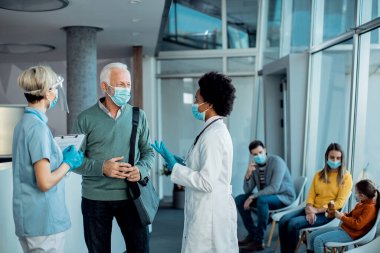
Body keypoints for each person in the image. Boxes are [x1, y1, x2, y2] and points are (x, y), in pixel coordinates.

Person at [152, 72, 238, 253]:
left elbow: (207, 182)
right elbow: (204, 167)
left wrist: (175, 167)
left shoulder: (213, 136)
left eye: (197, 98)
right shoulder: (211, 130)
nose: (194, 102)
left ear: (210, 103)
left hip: (210, 212)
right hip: (207, 208)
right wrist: (181, 162)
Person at [72, 62, 154, 253]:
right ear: (105, 87)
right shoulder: (84, 119)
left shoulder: (138, 115)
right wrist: (102, 167)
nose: (126, 89)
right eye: (120, 84)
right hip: (95, 199)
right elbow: (74, 162)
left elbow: (148, 152)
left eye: (128, 85)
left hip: (131, 196)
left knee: (141, 249)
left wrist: (140, 170)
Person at [12, 65, 83, 253]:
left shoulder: (24, 124)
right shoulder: (38, 128)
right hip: (44, 223)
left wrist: (60, 159)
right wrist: (68, 163)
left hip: (30, 219)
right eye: (55, 87)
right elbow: (44, 182)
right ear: (47, 92)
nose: (56, 92)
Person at [278, 143, 353, 253]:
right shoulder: (318, 174)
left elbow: (339, 203)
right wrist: (309, 209)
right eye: (332, 157)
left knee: (292, 224)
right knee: (283, 220)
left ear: (342, 159)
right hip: (312, 209)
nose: (335, 160)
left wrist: (316, 211)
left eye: (338, 158)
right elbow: (311, 196)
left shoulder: (346, 177)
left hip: (328, 214)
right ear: (326, 157)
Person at [236, 140, 296, 252]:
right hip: (265, 196)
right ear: (251, 155)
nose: (258, 155)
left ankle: (258, 241)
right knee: (239, 199)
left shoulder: (277, 162)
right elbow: (247, 190)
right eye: (255, 154)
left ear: (265, 150)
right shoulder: (254, 166)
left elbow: (274, 188)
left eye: (260, 152)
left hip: (283, 197)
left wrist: (253, 197)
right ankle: (253, 235)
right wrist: (248, 174)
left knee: (262, 200)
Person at [308, 179, 380, 253]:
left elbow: (358, 225)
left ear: (362, 195)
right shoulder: (361, 204)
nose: (355, 194)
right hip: (344, 229)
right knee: (312, 235)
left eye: (356, 192)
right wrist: (337, 213)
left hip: (352, 234)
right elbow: (349, 215)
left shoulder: (370, 208)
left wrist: (341, 217)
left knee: (319, 240)